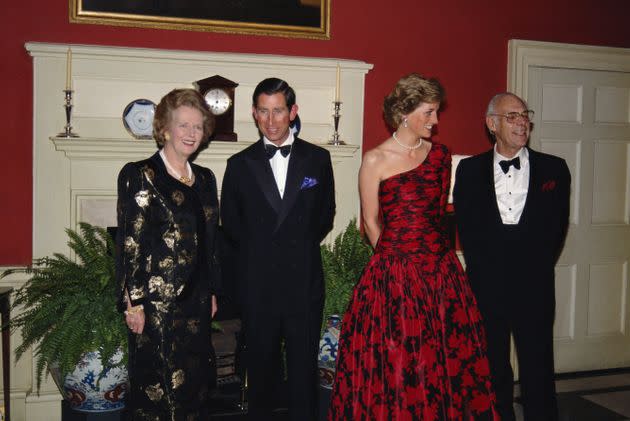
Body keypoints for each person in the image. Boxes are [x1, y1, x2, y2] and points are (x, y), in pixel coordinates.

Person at [328, 73, 498, 420]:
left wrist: (433, 262)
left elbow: (438, 214)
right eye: (429, 112)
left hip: (441, 275)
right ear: (404, 113)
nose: (435, 121)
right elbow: (371, 222)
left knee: (444, 362)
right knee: (400, 362)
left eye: (436, 112)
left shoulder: (442, 157)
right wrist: (396, 261)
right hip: (395, 277)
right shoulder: (375, 160)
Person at [220, 77, 335, 420]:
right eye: (264, 112)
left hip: (303, 284)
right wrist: (264, 255)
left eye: (279, 111)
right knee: (261, 379)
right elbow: (232, 224)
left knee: (303, 377)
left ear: (293, 112)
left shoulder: (318, 159)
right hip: (258, 287)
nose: (271, 121)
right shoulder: (239, 165)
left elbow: (324, 215)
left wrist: (293, 251)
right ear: (254, 114)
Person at [453, 92, 571, 421]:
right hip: (486, 286)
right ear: (492, 124)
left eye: (525, 115)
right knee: (491, 369)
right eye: (512, 116)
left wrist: (533, 268)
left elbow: (557, 230)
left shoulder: (555, 169)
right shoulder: (469, 170)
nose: (522, 122)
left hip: (534, 285)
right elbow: (468, 228)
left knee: (538, 366)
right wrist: (485, 273)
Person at [115, 88, 221, 420]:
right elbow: (130, 243)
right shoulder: (141, 175)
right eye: (183, 125)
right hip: (157, 308)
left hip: (198, 302)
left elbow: (210, 242)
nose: (191, 133)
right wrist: (132, 302)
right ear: (164, 128)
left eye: (198, 126)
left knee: (196, 389)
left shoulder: (205, 179)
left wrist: (213, 291)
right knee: (160, 392)